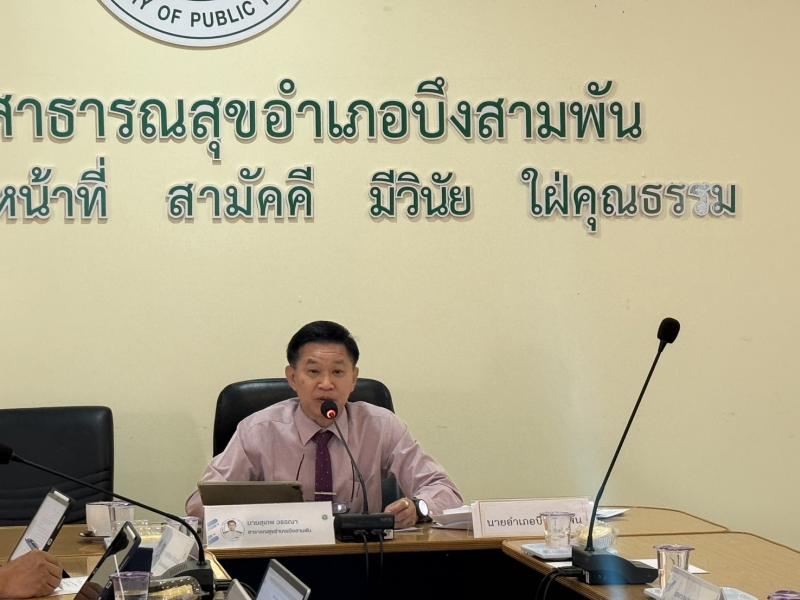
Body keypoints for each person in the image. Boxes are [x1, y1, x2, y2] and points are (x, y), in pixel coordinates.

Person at [186, 321, 463, 528]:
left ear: (353, 379)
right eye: (314, 371)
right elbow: (198, 504)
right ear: (292, 378)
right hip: (279, 557)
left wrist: (418, 508)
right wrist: (262, 517)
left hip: (361, 559)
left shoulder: (380, 426)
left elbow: (445, 491)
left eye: (338, 372)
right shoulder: (258, 431)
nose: (326, 383)